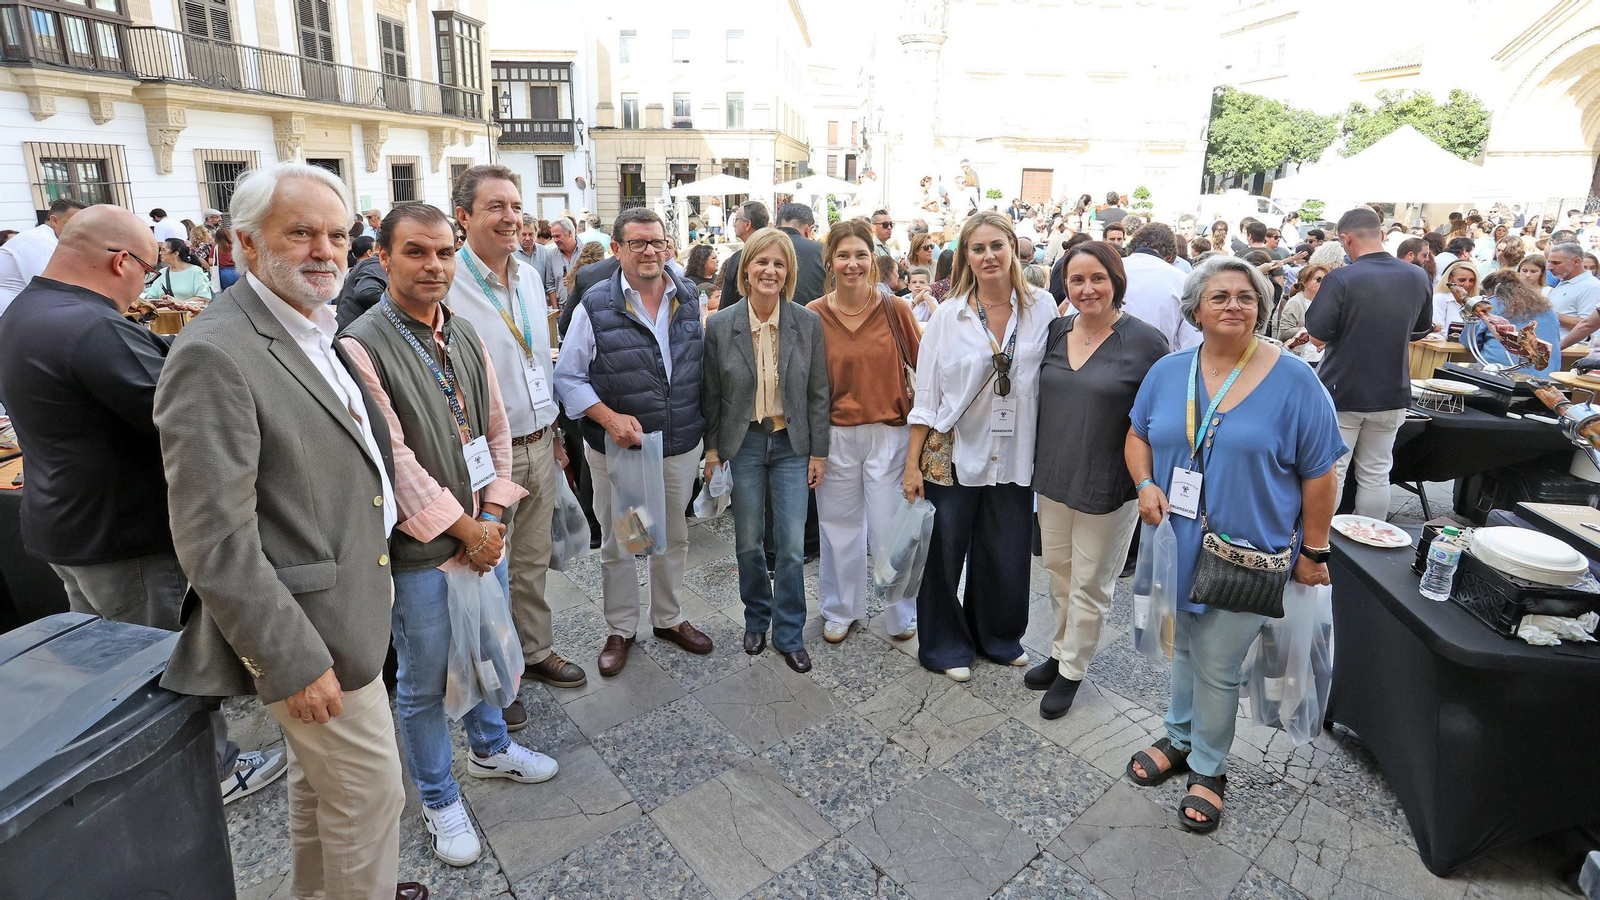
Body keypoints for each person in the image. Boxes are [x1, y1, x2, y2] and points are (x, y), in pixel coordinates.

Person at [153, 162, 422, 900]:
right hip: (314, 637)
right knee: (372, 799)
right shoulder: (215, 352)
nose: (325, 250)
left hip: (350, 612)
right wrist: (291, 660)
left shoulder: (308, 326)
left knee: (319, 795)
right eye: (299, 232)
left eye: (336, 234)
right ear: (244, 243)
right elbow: (214, 539)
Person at [0, 203, 286, 809]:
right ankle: (210, 772)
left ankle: (126, 761)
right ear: (120, 260)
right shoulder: (93, 326)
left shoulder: (25, 309)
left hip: (63, 525)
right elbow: (177, 417)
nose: (146, 286)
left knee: (102, 664)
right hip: (123, 536)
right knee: (166, 662)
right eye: (147, 270)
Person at [340, 202, 557, 868]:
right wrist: (465, 527)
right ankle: (438, 798)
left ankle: (491, 749)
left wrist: (490, 518)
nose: (432, 265)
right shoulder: (360, 344)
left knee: (488, 647)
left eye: (442, 252)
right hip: (419, 552)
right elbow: (392, 458)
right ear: (383, 256)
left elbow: (494, 427)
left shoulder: (462, 332)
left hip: (478, 533)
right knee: (425, 683)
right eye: (416, 252)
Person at [1124, 254, 1344, 834]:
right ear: (1195, 308)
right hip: (1177, 538)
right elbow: (1137, 435)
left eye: (1246, 297)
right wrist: (1145, 484)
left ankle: (1208, 768)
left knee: (1219, 662)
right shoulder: (1169, 371)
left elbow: (1322, 473)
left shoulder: (1296, 379)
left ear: (1262, 309)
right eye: (1219, 296)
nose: (1233, 306)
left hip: (1251, 547)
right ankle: (1178, 736)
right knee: (1183, 643)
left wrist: (1314, 550)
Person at [445, 166, 585, 707]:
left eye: (515, 206)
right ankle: (496, 678)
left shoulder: (528, 275)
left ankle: (533, 652)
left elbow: (535, 361)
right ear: (464, 217)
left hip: (538, 442)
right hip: (483, 459)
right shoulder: (448, 281)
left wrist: (552, 434)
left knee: (529, 561)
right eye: (495, 207)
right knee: (485, 574)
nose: (510, 217)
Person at [554, 207, 714, 676]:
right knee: (626, 539)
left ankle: (669, 618)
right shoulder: (596, 305)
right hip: (621, 452)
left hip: (679, 443)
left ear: (669, 247)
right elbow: (568, 376)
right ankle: (621, 628)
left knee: (674, 536)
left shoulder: (687, 296)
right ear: (618, 250)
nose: (650, 251)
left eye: (657, 242)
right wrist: (606, 418)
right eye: (638, 243)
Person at [905, 210, 1057, 681]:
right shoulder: (948, 315)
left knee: (1005, 551)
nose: (988, 256)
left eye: (997, 245)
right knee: (945, 552)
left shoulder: (1044, 308)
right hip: (954, 453)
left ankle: (998, 637)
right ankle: (945, 645)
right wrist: (912, 465)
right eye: (978, 248)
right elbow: (926, 396)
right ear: (965, 258)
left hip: (1015, 452)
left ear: (1013, 248)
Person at [1029, 242, 1168, 718]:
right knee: (1058, 572)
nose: (1087, 289)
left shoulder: (1146, 342)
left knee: (1091, 581)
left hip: (1107, 482)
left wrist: (1151, 480)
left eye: (1097, 279)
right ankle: (1060, 648)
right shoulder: (1055, 330)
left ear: (1116, 282)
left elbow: (1156, 418)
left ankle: (1072, 670)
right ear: (1064, 285)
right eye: (1076, 280)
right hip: (1053, 474)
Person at [702, 228, 829, 671]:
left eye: (779, 264)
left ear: (789, 272)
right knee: (748, 541)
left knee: (793, 544)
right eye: (762, 262)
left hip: (793, 445)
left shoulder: (806, 322)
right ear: (746, 270)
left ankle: (789, 632)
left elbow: (818, 393)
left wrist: (819, 452)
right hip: (746, 443)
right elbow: (713, 394)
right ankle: (756, 617)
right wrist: (713, 451)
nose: (770, 271)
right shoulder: (721, 324)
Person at [808, 219, 923, 645]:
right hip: (834, 435)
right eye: (843, 255)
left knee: (890, 527)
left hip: (889, 433)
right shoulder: (814, 314)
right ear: (830, 261)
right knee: (838, 526)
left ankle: (900, 612)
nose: (852, 263)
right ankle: (841, 608)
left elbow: (924, 374)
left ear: (873, 260)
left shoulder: (896, 309)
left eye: (861, 254)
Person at [1304, 206, 1432, 520]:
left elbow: (1317, 333)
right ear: (1383, 235)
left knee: (1333, 472)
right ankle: (1366, 551)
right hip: (1392, 389)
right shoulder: (1417, 275)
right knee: (1377, 472)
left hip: (1343, 388)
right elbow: (1421, 329)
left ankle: (1320, 545)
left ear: (1345, 239)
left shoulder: (1342, 278)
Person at [1119, 222, 1199, 351]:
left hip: (1104, 362)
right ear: (1169, 256)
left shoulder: (1108, 270)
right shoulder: (1182, 281)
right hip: (1159, 362)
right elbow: (1189, 344)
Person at [0, 197, 87, 314]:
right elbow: (53, 288)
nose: (80, 228)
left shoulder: (46, 239)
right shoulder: (39, 240)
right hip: (10, 318)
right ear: (54, 220)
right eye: (74, 222)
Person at [1471, 269, 1562, 374]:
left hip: (1501, 376)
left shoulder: (1490, 305)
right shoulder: (1548, 309)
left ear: (1492, 291)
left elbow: (1470, 341)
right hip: (1548, 377)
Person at [1274, 262, 1329, 365]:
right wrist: (1307, 330)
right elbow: (1283, 332)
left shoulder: (1327, 301)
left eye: (1326, 280)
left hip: (1320, 357)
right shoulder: (1295, 302)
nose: (1322, 283)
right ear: (1304, 282)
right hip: (1300, 357)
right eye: (1318, 280)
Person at [718, 201, 772, 302]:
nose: (734, 225)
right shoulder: (779, 254)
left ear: (747, 224)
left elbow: (727, 301)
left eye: (736, 220)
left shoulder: (739, 258)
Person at [336, 233, 390, 331]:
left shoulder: (370, 263)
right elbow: (366, 292)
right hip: (356, 334)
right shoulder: (376, 263)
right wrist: (400, 303)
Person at [1546, 242, 1600, 331]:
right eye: (1549, 263)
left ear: (1576, 262)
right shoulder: (1565, 280)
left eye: (1556, 263)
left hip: (1568, 344)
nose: (1549, 267)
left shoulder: (1591, 286)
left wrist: (1547, 313)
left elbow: (1588, 324)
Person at [142, 238, 214, 304]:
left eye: (163, 250)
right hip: (166, 316)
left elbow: (204, 298)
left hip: (189, 316)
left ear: (175, 253)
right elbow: (152, 297)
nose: (160, 253)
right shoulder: (162, 272)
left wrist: (178, 303)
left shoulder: (195, 271)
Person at [1432, 260, 1477, 338]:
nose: (1467, 284)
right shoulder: (1439, 298)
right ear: (1449, 279)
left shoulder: (1475, 301)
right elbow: (1437, 331)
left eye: (1471, 280)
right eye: (1462, 280)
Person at [214, 225, 240, 292]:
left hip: (223, 273)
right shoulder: (234, 246)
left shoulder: (216, 247)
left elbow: (211, 261)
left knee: (227, 293)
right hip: (236, 270)